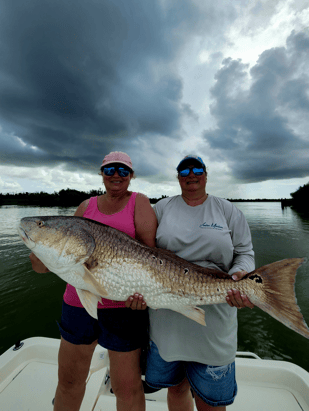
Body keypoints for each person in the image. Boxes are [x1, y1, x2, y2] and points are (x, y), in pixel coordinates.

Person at [29, 151, 157, 411]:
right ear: (101, 174)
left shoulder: (139, 203)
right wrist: (41, 251)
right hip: (77, 304)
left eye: (123, 170)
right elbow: (43, 267)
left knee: (127, 387)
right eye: (110, 170)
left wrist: (146, 295)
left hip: (123, 307)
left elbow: (151, 258)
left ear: (131, 175)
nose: (116, 175)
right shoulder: (86, 207)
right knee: (69, 381)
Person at [143, 154, 255, 411]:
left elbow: (245, 253)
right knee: (177, 388)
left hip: (214, 323)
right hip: (166, 324)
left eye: (197, 169)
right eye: (184, 171)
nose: (190, 174)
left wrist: (239, 275)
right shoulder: (161, 208)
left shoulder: (227, 210)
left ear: (206, 174)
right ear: (177, 177)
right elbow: (143, 253)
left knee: (212, 403)